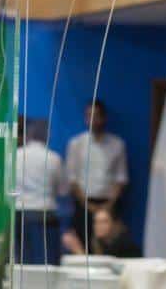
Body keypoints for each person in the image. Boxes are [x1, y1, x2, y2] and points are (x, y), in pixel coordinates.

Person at [64, 100, 128, 253]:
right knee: (82, 245)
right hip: (83, 203)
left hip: (109, 204)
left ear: (104, 118)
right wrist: (87, 205)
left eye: (96, 115)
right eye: (88, 116)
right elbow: (72, 180)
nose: (92, 120)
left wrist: (108, 205)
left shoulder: (117, 144)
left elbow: (121, 179)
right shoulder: (76, 144)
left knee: (111, 247)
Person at [13, 116, 69, 265]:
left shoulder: (15, 156)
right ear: (47, 135)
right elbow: (63, 190)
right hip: (45, 214)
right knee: (46, 261)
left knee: (22, 260)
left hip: (19, 213)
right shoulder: (54, 158)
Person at [62, 207, 142, 259]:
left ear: (115, 225)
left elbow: (102, 271)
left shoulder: (125, 246)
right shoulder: (98, 244)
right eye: (96, 222)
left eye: (104, 222)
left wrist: (79, 251)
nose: (99, 226)